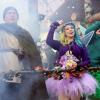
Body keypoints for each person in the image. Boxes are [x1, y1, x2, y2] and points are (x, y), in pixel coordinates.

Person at [0, 7, 48, 100]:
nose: (12, 15)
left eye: (14, 13)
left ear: (17, 17)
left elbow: (33, 52)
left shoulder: (24, 33)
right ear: (4, 17)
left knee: (20, 94)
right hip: (3, 67)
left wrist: (24, 53)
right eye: (9, 13)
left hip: (21, 69)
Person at [46, 20, 97, 100]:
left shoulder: (80, 44)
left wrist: (77, 65)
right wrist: (54, 26)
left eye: (72, 28)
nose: (70, 30)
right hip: (62, 76)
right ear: (64, 32)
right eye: (67, 29)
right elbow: (48, 41)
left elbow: (87, 61)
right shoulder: (60, 44)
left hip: (75, 76)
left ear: (74, 30)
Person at [85, 21, 100, 100]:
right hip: (90, 71)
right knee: (91, 95)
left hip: (98, 71)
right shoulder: (93, 37)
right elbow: (88, 31)